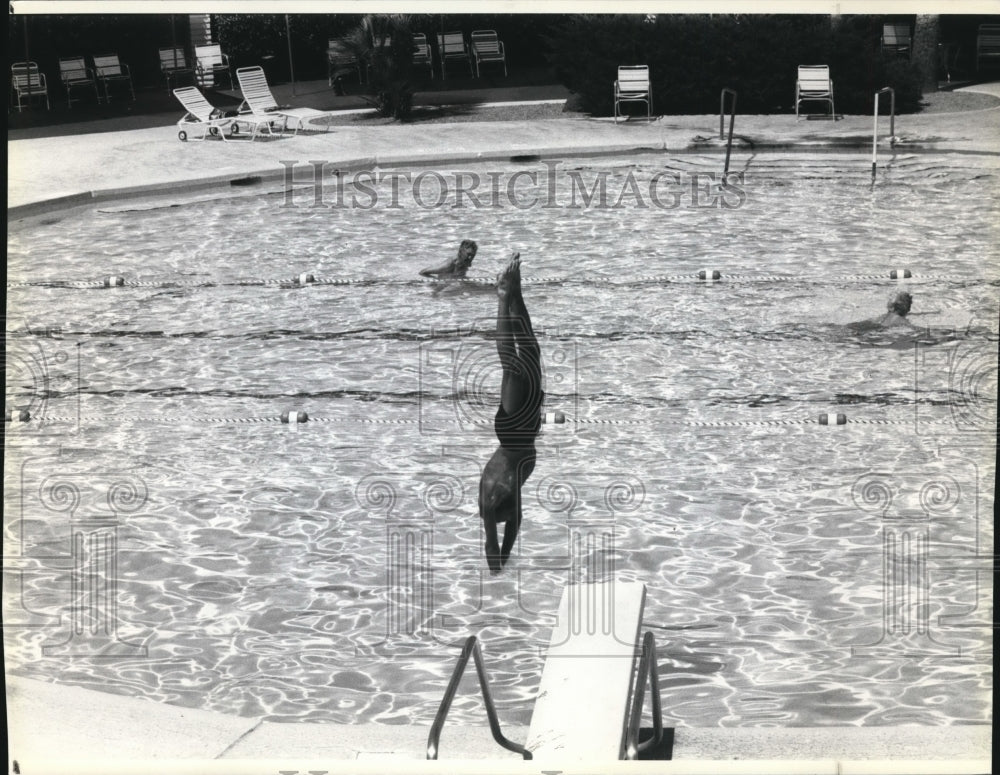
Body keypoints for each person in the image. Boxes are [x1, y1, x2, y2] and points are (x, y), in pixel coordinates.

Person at [479, 253, 543, 575]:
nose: (512, 522)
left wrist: (496, 570)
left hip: (516, 433)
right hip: (525, 432)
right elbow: (500, 543)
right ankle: (515, 293)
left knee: (513, 366)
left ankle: (504, 297)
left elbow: (493, 547)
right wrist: (501, 566)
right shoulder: (508, 504)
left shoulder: (492, 497)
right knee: (531, 351)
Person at [849, 291, 914, 331]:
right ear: (908, 309)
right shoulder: (902, 321)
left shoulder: (880, 318)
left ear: (890, 307)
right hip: (879, 333)